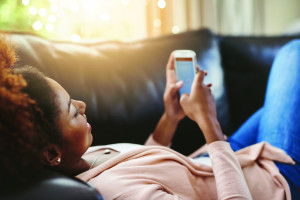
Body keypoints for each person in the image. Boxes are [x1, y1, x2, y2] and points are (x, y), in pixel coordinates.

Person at [0, 34, 299, 199]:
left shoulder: (78, 158)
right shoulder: (120, 195)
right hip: (273, 182)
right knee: (293, 54)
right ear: (52, 152)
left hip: (220, 159)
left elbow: (141, 164)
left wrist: (170, 118)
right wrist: (210, 125)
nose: (82, 104)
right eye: (71, 110)